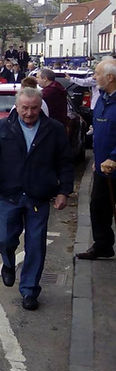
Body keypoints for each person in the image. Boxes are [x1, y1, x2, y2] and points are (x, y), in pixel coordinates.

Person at [0, 88, 73, 311]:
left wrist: (63, 191)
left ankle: (29, 290)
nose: (29, 113)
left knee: (36, 245)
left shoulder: (54, 130)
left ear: (41, 107)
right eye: (24, 108)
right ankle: (8, 261)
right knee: (3, 240)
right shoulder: (2, 127)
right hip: (9, 195)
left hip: (38, 197)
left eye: (34, 108)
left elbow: (65, 163)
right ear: (17, 107)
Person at [75, 58, 116, 260]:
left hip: (113, 164)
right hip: (102, 167)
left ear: (110, 77)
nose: (94, 77)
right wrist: (97, 159)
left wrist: (113, 157)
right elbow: (100, 130)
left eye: (98, 73)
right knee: (98, 207)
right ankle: (103, 245)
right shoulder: (102, 99)